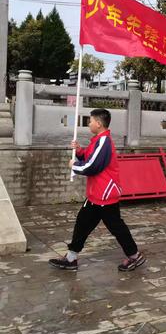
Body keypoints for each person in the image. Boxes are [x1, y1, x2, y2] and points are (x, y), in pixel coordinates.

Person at [49, 109, 145, 271]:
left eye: (91, 120)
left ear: (99, 124)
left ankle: (134, 256)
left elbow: (92, 166)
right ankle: (71, 258)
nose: (89, 123)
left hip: (104, 195)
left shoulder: (104, 142)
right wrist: (79, 151)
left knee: (116, 227)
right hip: (96, 194)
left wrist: (75, 166)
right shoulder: (98, 140)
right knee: (82, 223)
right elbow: (89, 156)